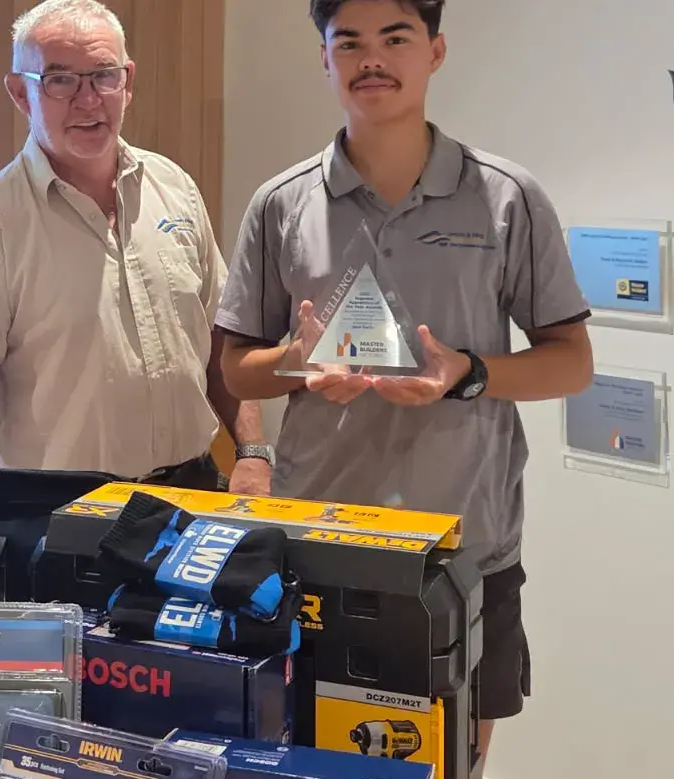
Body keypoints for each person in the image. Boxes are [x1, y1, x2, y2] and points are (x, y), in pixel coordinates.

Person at [216, 0, 593, 770]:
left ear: (436, 51)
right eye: (346, 42)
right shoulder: (280, 203)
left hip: (465, 556)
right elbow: (233, 366)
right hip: (318, 551)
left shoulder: (506, 197)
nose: (371, 60)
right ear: (324, 59)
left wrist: (469, 372)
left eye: (395, 38)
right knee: (316, 759)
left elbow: (570, 360)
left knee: (454, 763)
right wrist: (297, 361)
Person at [0, 0, 272, 494]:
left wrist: (253, 453)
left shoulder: (173, 187)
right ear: (21, 93)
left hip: (196, 493)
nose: (88, 100)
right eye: (60, 80)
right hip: (65, 514)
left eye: (103, 76)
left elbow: (221, 343)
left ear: (127, 82)